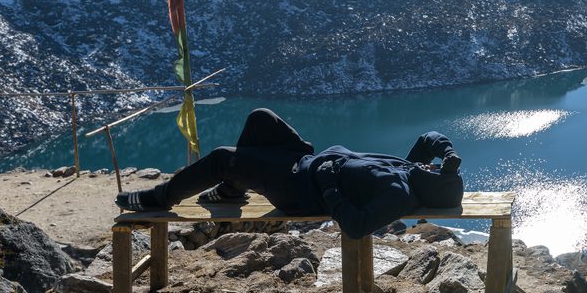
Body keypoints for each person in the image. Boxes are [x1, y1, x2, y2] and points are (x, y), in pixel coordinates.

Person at [115, 108, 464, 239]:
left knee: (224, 158)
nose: (429, 165)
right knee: (260, 119)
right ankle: (232, 190)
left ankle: (160, 197)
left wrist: (329, 184)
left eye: (436, 170)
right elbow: (428, 138)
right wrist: (448, 153)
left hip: (298, 189)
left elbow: (357, 227)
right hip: (305, 163)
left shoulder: (399, 195)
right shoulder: (411, 170)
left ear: (432, 184)